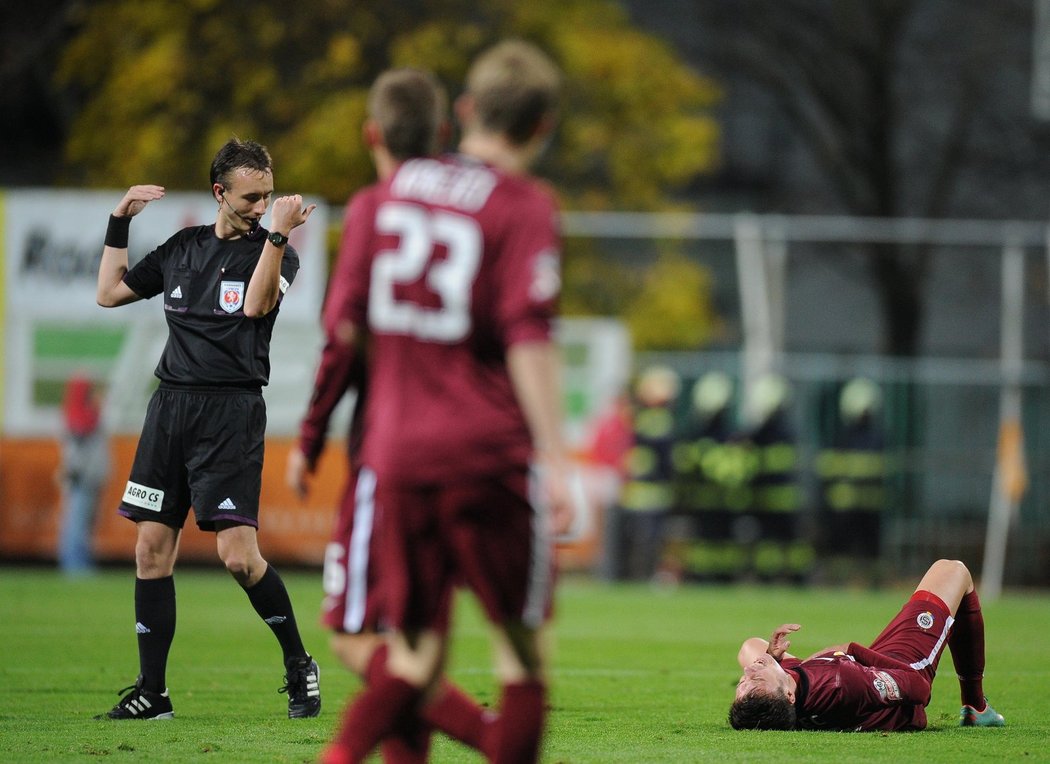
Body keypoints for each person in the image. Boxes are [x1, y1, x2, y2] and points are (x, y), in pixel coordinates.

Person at [319, 39, 572, 763]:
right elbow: (527, 333)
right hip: (485, 453)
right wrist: (556, 454)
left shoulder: (388, 194)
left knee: (413, 657)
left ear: (463, 111)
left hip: (395, 454)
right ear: (542, 126)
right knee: (522, 656)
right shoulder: (523, 205)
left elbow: (346, 326)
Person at [287, 68, 496, 760]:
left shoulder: (377, 209)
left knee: (354, 637)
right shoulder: (482, 209)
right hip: (469, 450)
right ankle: (498, 737)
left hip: (395, 449)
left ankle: (498, 740)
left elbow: (343, 339)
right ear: (443, 133)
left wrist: (310, 437)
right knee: (416, 643)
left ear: (371, 134)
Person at [94, 137, 321, 720]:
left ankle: (299, 663)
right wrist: (118, 220)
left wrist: (277, 235)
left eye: (268, 196)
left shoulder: (276, 251)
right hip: (169, 408)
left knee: (239, 558)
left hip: (231, 412)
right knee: (150, 549)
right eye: (251, 197)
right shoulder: (182, 249)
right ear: (220, 193)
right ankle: (153, 691)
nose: (261, 206)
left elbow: (254, 306)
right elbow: (108, 292)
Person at [729, 558, 1005, 731]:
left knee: (750, 648)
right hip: (902, 666)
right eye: (756, 683)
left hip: (857, 676)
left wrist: (771, 661)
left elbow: (751, 650)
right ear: (788, 696)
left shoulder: (788, 703)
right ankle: (975, 706)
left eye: (742, 684)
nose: (748, 674)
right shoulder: (842, 682)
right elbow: (918, 687)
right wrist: (851, 649)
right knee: (952, 570)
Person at [56, 373, 110, 576]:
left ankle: (79, 563)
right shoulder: (79, 414)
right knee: (76, 522)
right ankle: (74, 566)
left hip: (90, 477)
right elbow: (76, 448)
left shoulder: (84, 412)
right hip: (81, 477)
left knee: (83, 523)